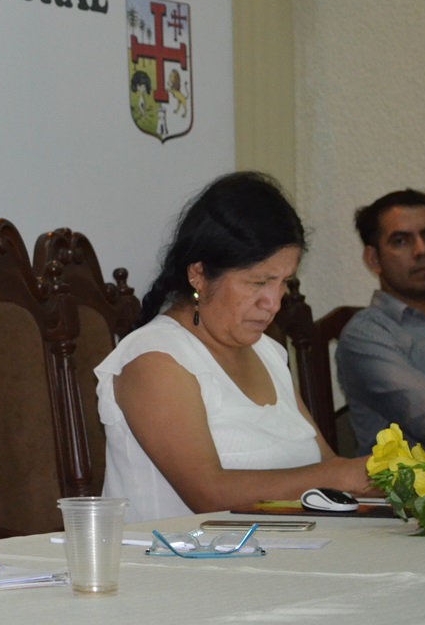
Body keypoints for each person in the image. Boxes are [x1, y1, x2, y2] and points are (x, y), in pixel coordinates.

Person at [94, 172, 373, 523]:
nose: (273, 303)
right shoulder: (154, 358)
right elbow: (208, 493)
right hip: (174, 555)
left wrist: (389, 478)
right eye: (257, 282)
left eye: (283, 282)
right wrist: (339, 476)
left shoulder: (269, 353)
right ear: (198, 274)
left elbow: (325, 465)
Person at [336, 189, 425, 454]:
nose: (422, 250)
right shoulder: (366, 335)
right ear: (373, 259)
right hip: (411, 480)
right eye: (401, 241)